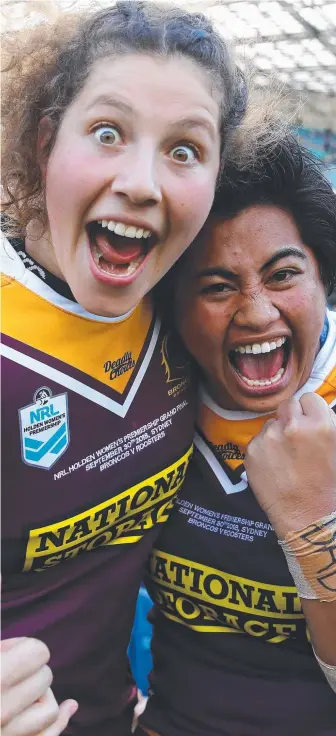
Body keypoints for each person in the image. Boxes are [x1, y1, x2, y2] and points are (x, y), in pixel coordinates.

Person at [0, 2, 248, 734]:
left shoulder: (190, 315)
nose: (142, 182)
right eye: (108, 134)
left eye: (184, 150)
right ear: (46, 141)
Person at [137, 133, 336, 735]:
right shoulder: (141, 407)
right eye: (217, 287)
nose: (255, 312)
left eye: (283, 275)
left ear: (323, 277)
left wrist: (312, 526)